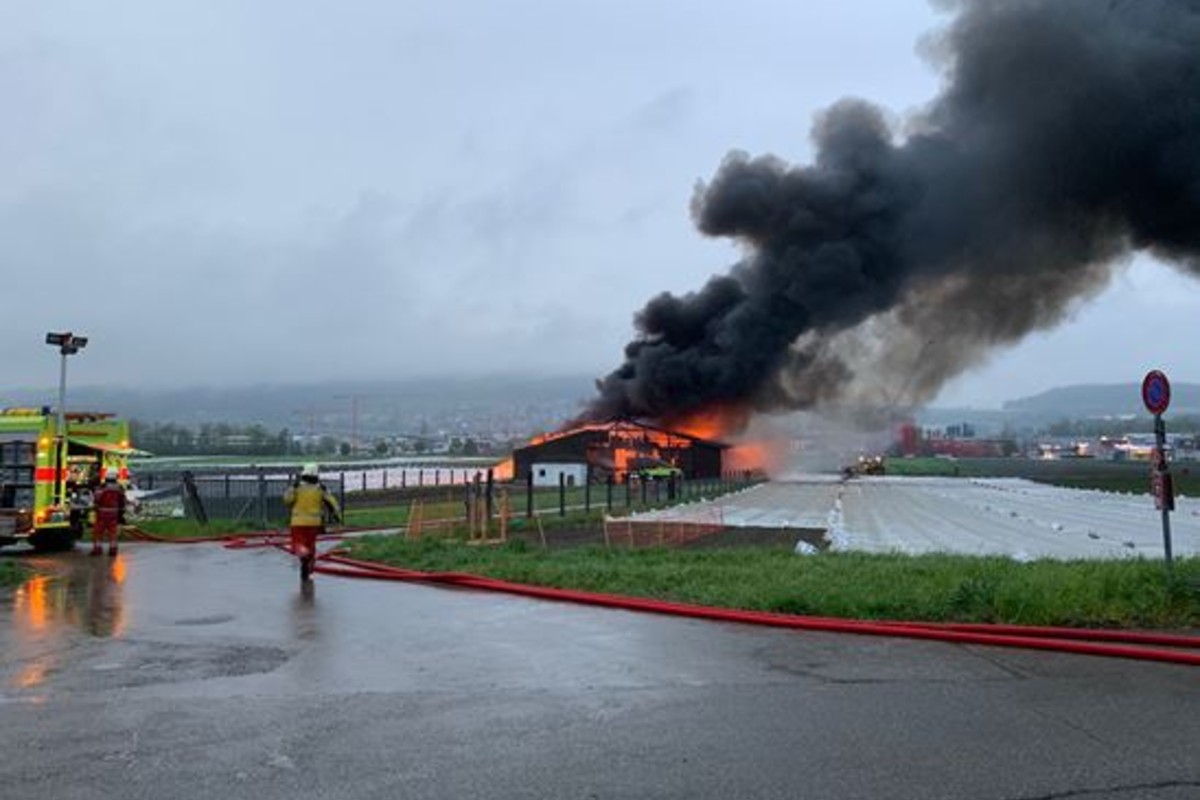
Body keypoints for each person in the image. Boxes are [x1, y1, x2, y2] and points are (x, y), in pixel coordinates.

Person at [282, 463, 341, 582]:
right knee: (311, 547)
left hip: (298, 523)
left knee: (298, 544)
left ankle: (303, 555)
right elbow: (332, 503)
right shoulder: (321, 488)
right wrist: (337, 517)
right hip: (314, 523)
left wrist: (291, 488)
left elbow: (287, 501)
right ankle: (309, 571)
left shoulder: (297, 487)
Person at [91, 474, 126, 557]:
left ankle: (97, 549)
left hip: (102, 513)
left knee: (98, 532)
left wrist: (95, 506)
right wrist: (121, 512)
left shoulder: (101, 488)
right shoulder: (119, 488)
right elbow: (122, 501)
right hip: (114, 514)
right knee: (113, 533)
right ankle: (113, 549)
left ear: (106, 479)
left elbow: (97, 499)